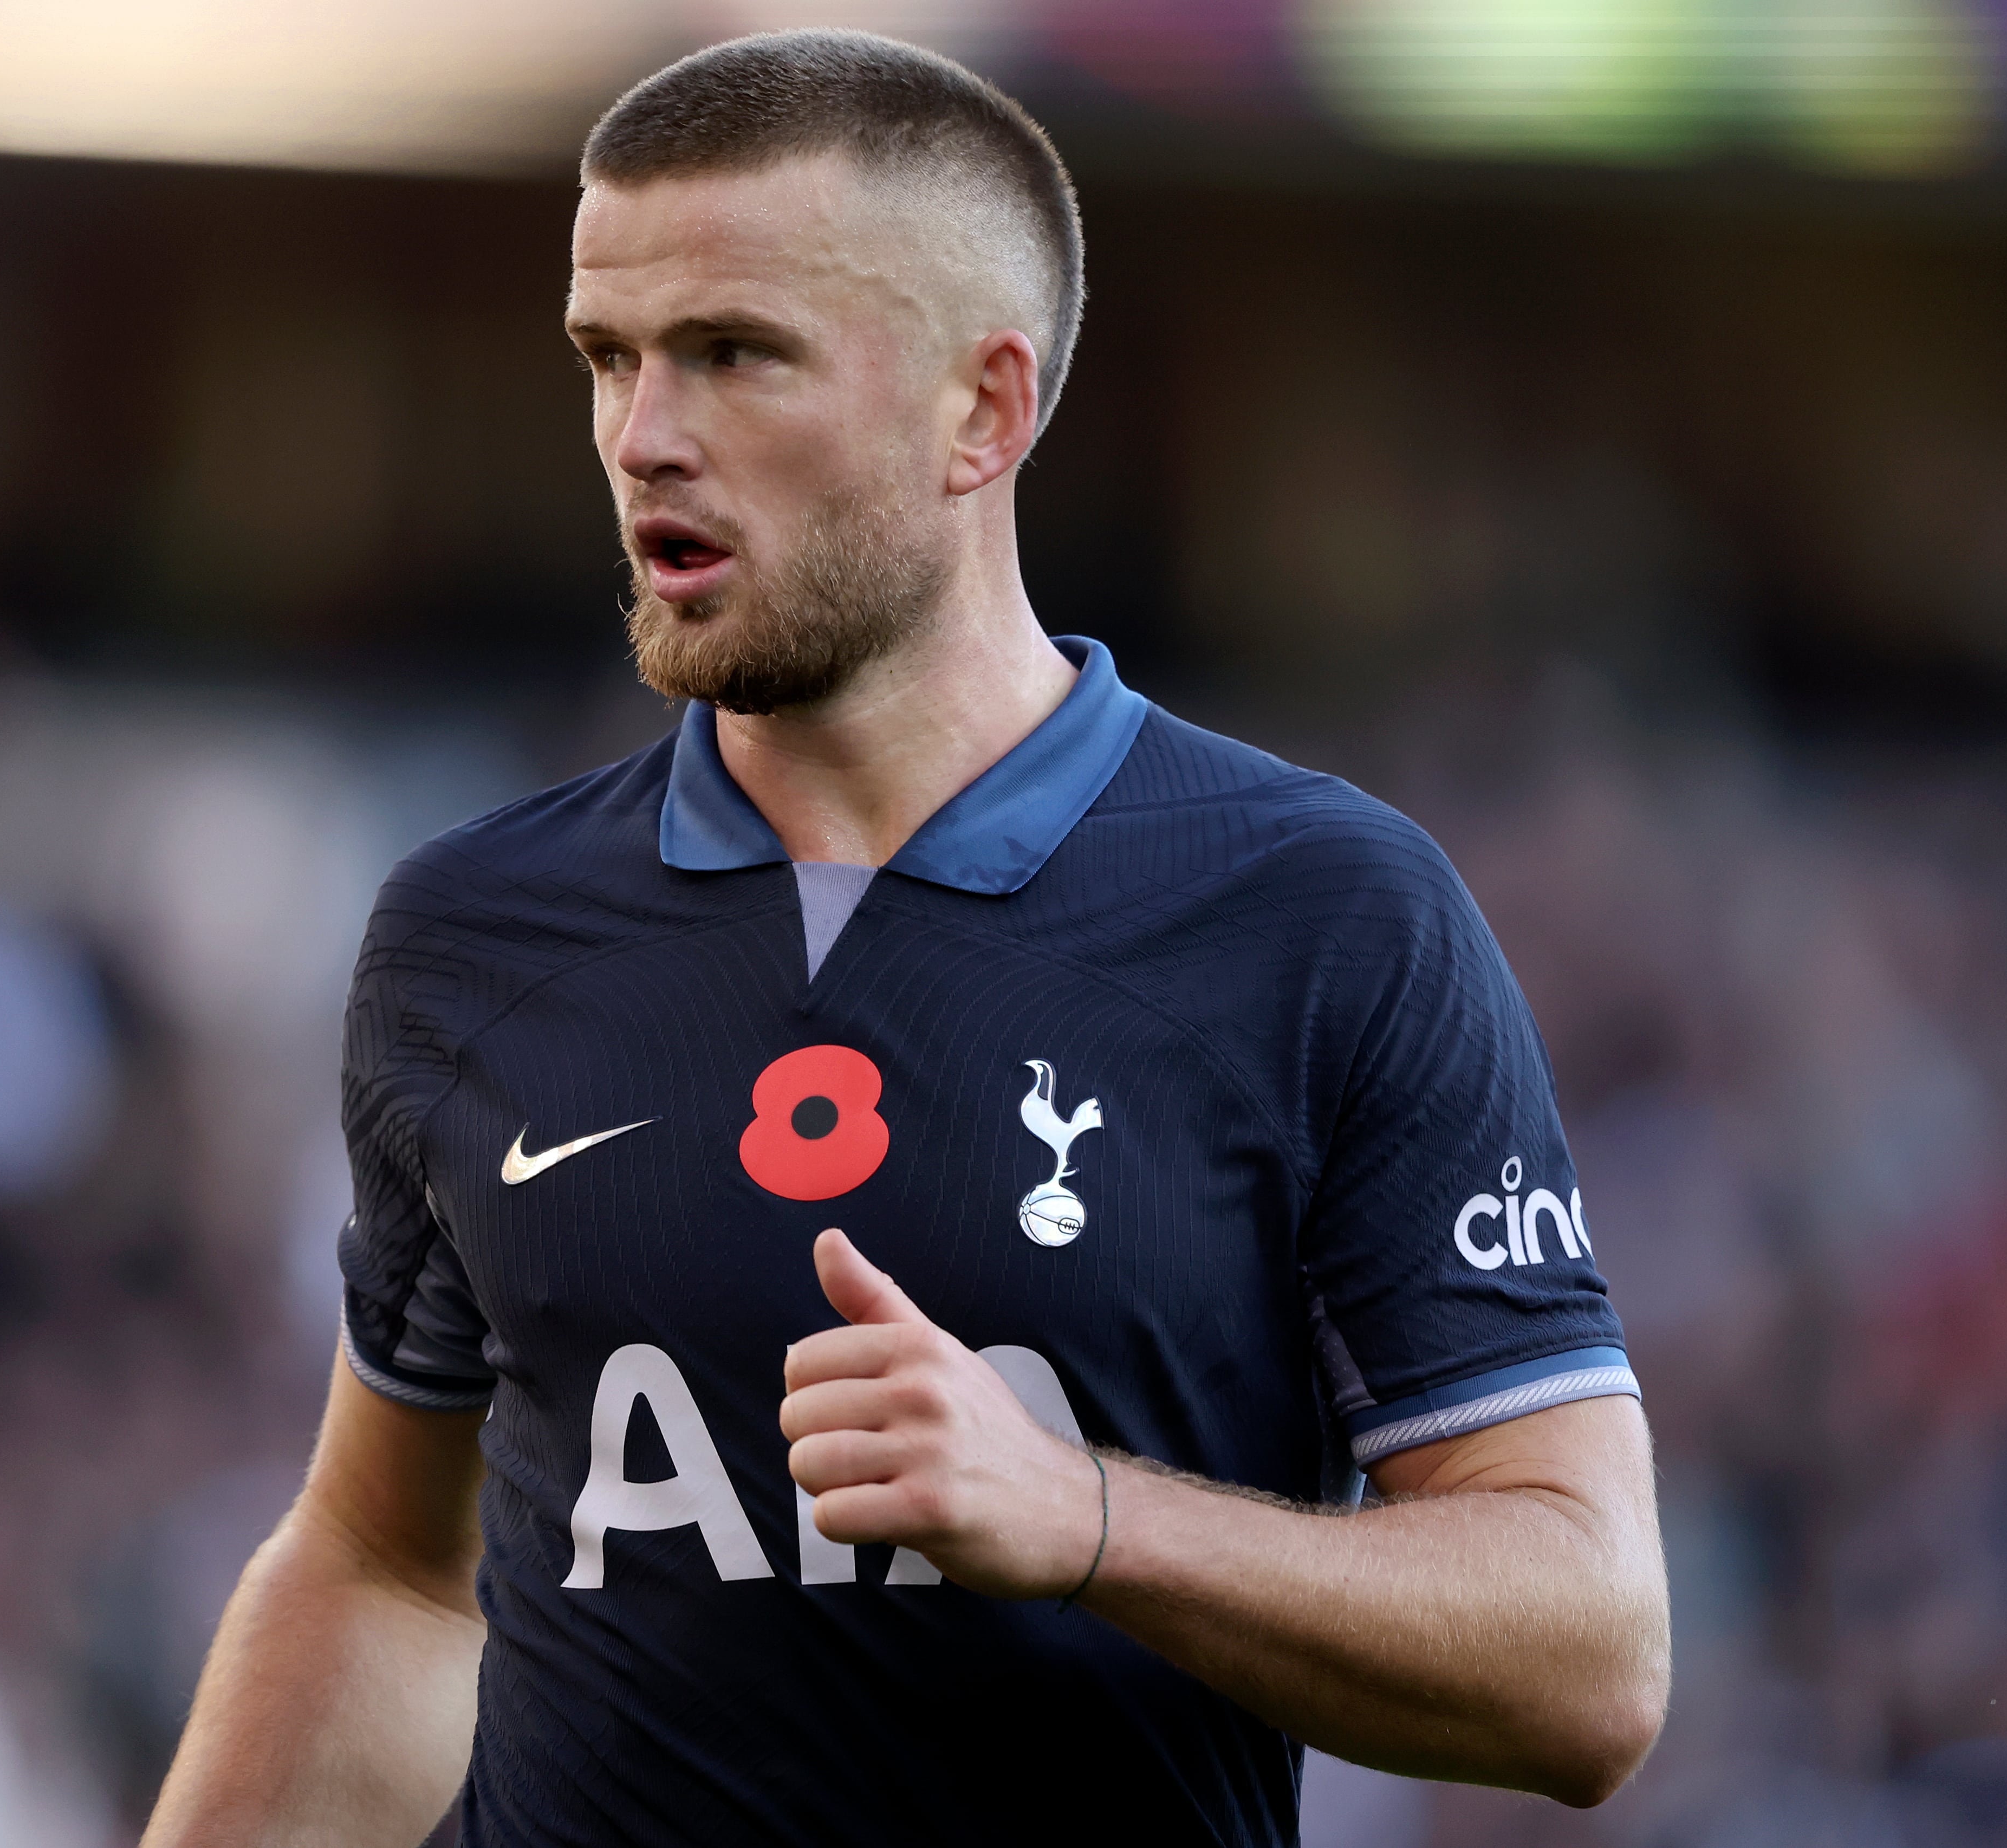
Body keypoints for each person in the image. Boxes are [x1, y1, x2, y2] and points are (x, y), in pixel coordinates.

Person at [145, 29, 1669, 1847]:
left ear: (985, 411)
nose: (646, 438)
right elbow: (387, 1568)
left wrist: (1085, 1518)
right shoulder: (471, 935)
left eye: (735, 355)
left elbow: (1590, 1657)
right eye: (610, 358)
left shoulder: (1326, 917)